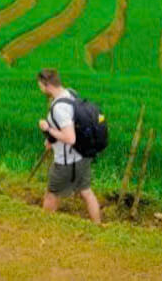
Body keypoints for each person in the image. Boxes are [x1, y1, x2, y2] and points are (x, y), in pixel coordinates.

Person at [36, 68, 101, 224]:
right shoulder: (71, 93)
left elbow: (70, 137)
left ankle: (43, 226)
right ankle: (98, 225)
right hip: (82, 155)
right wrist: (51, 140)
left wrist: (48, 129)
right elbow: (72, 126)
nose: (40, 88)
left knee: (51, 194)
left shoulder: (58, 108)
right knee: (86, 192)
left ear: (47, 85)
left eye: (40, 85)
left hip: (66, 162)